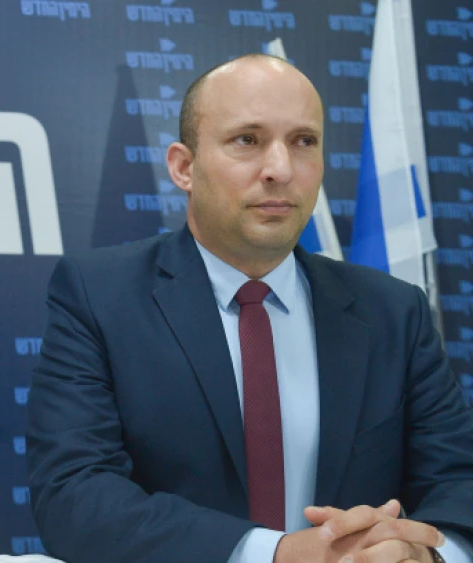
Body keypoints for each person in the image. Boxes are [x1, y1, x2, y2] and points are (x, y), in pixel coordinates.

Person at [26, 54, 473, 563]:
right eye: (248, 140)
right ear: (184, 167)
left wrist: (428, 555)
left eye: (304, 142)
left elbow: (458, 480)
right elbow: (74, 496)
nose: (280, 170)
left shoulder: (394, 311)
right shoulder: (99, 295)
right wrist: (277, 554)